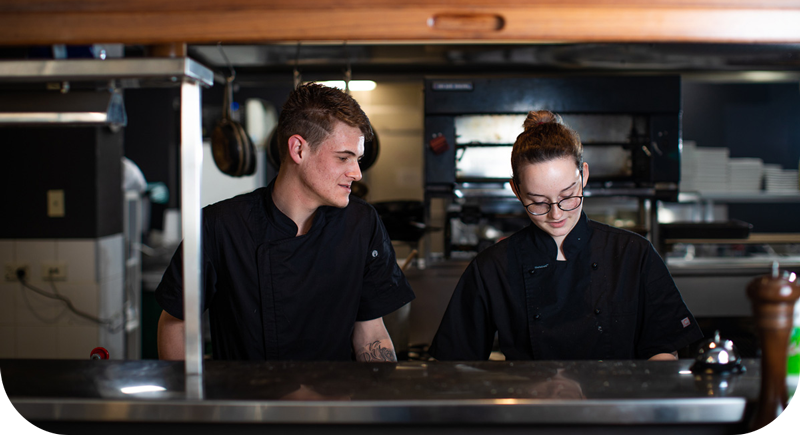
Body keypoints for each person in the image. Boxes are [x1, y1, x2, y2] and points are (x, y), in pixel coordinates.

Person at [156, 83, 415, 361]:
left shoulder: (361, 223)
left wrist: (379, 388)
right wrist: (190, 389)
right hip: (244, 390)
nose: (357, 173)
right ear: (298, 150)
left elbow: (371, 331)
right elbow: (174, 323)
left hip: (333, 390)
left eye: (358, 160)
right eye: (343, 158)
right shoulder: (219, 226)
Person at [429, 110, 702, 361]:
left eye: (568, 196)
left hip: (619, 399)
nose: (556, 214)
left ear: (583, 176)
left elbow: (664, 352)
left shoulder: (633, 253)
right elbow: (454, 364)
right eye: (538, 202)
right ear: (516, 190)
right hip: (529, 400)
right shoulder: (492, 268)